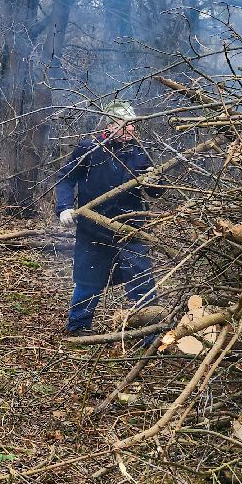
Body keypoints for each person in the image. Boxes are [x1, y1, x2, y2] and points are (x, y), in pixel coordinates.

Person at [53, 100, 158, 338]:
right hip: (94, 227)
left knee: (141, 280)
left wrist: (154, 181)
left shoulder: (139, 151)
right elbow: (66, 179)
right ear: (110, 124)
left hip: (130, 228)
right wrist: (64, 208)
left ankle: (151, 334)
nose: (130, 130)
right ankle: (79, 327)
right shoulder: (89, 148)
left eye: (133, 125)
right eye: (125, 124)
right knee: (88, 278)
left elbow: (155, 192)